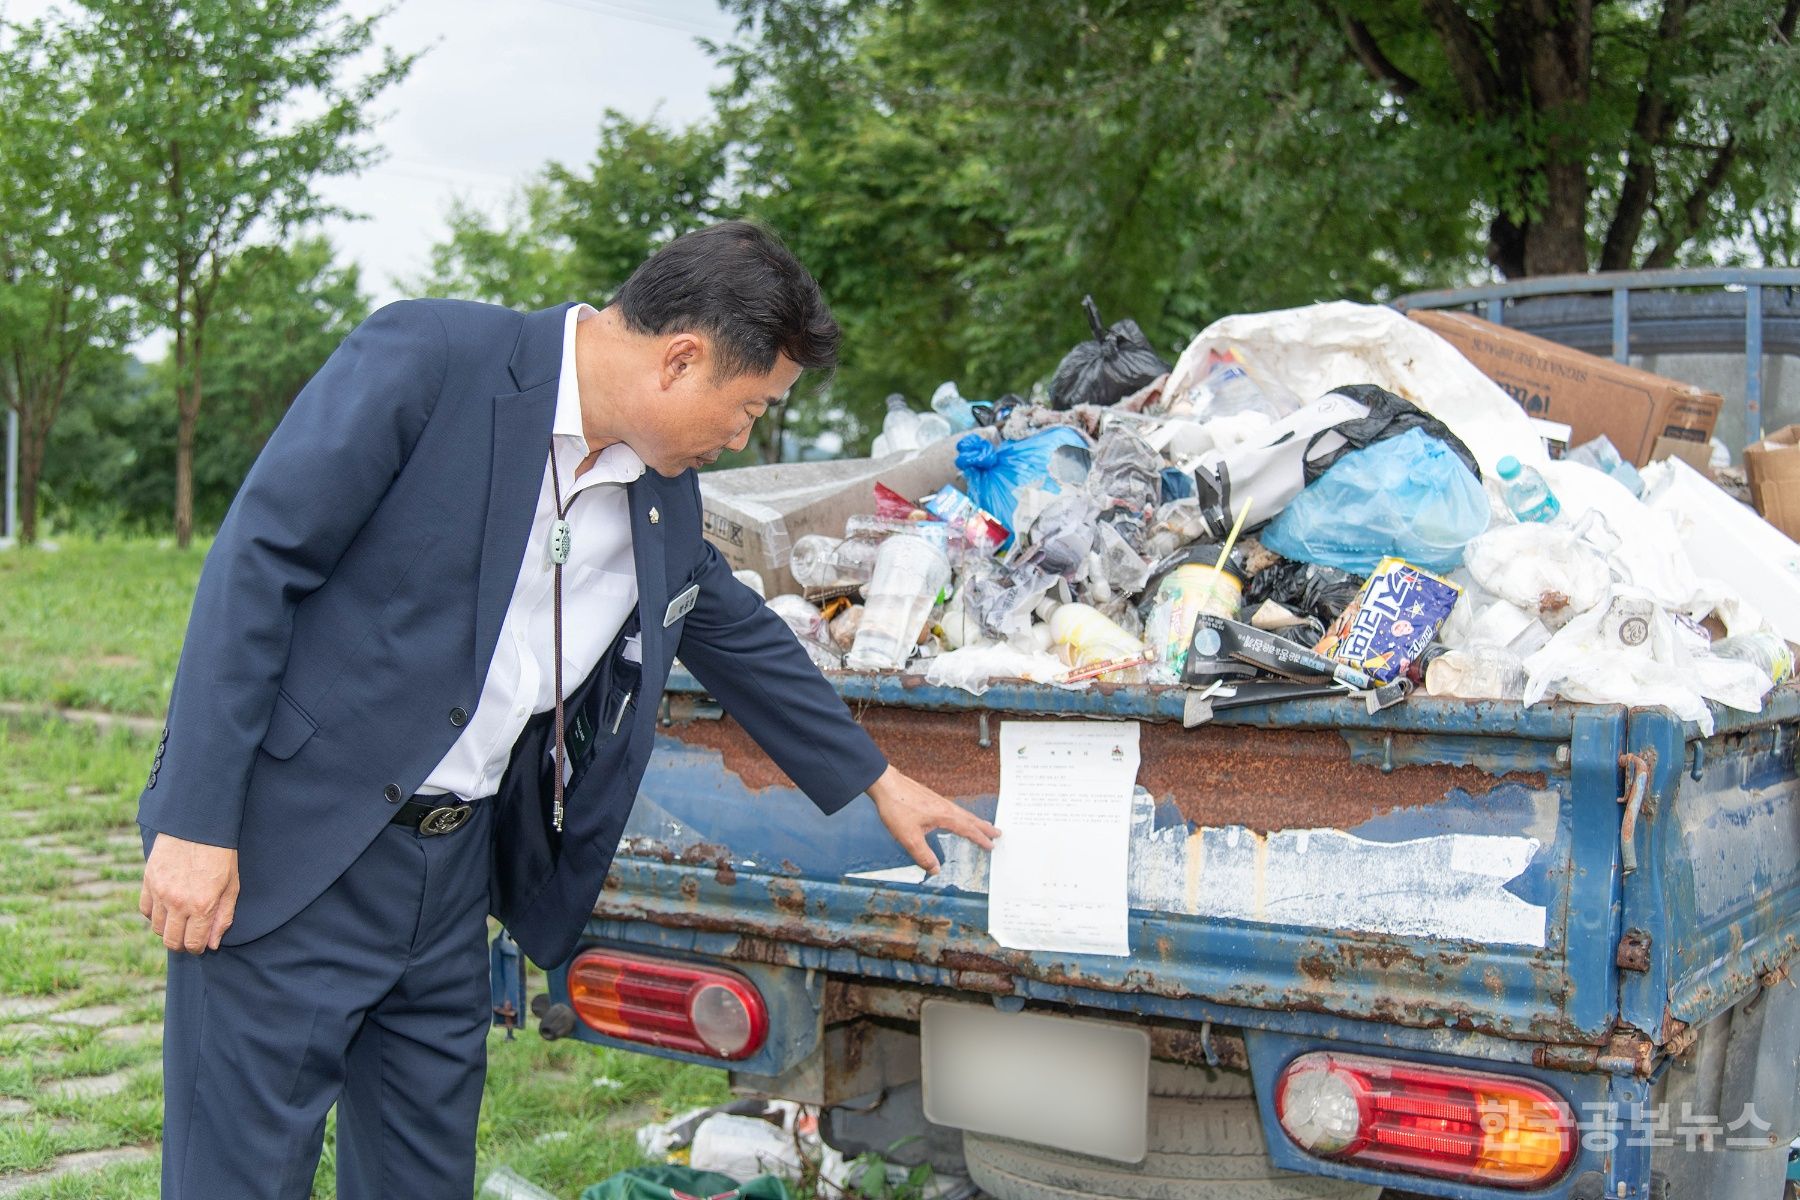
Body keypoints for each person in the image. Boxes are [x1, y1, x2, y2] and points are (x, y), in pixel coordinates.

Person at [137, 220, 1000, 1200]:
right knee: (236, 1177)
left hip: (449, 878)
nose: (742, 436)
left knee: (421, 1178)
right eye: (750, 406)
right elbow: (257, 564)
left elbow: (734, 633)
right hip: (294, 852)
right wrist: (196, 822)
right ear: (683, 358)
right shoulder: (432, 360)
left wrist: (878, 779)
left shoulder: (663, 499)